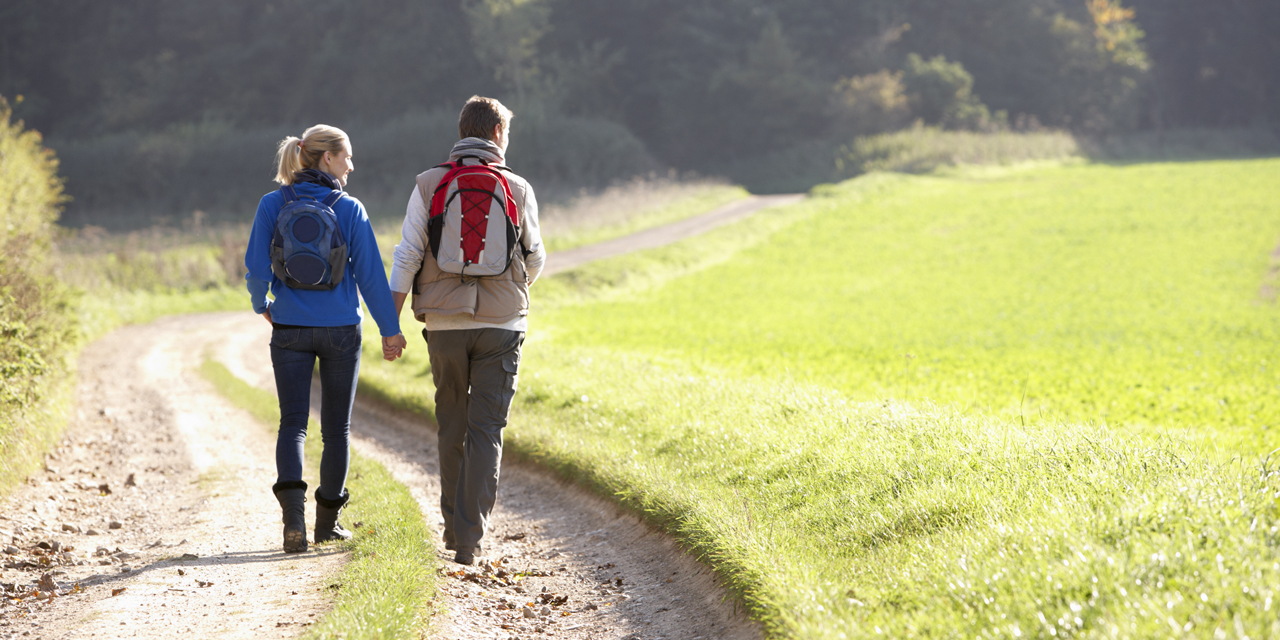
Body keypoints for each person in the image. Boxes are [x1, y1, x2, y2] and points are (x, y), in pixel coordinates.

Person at [387, 96, 546, 565]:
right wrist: (512, 289)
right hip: (501, 324)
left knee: (451, 422)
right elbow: (535, 257)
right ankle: (470, 540)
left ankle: (452, 527)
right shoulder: (517, 187)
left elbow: (407, 255)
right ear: (497, 133)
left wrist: (389, 322)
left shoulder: (428, 183)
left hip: (443, 323)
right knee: (486, 430)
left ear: (462, 132)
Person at [245, 124, 409, 553]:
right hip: (340, 330)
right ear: (327, 158)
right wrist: (390, 331)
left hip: (290, 329)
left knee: (293, 423)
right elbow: (372, 276)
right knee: (336, 430)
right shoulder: (349, 208)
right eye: (347, 157)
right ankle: (327, 524)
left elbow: (256, 266)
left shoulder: (271, 203)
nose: (352, 165)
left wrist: (261, 302)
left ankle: (293, 522)